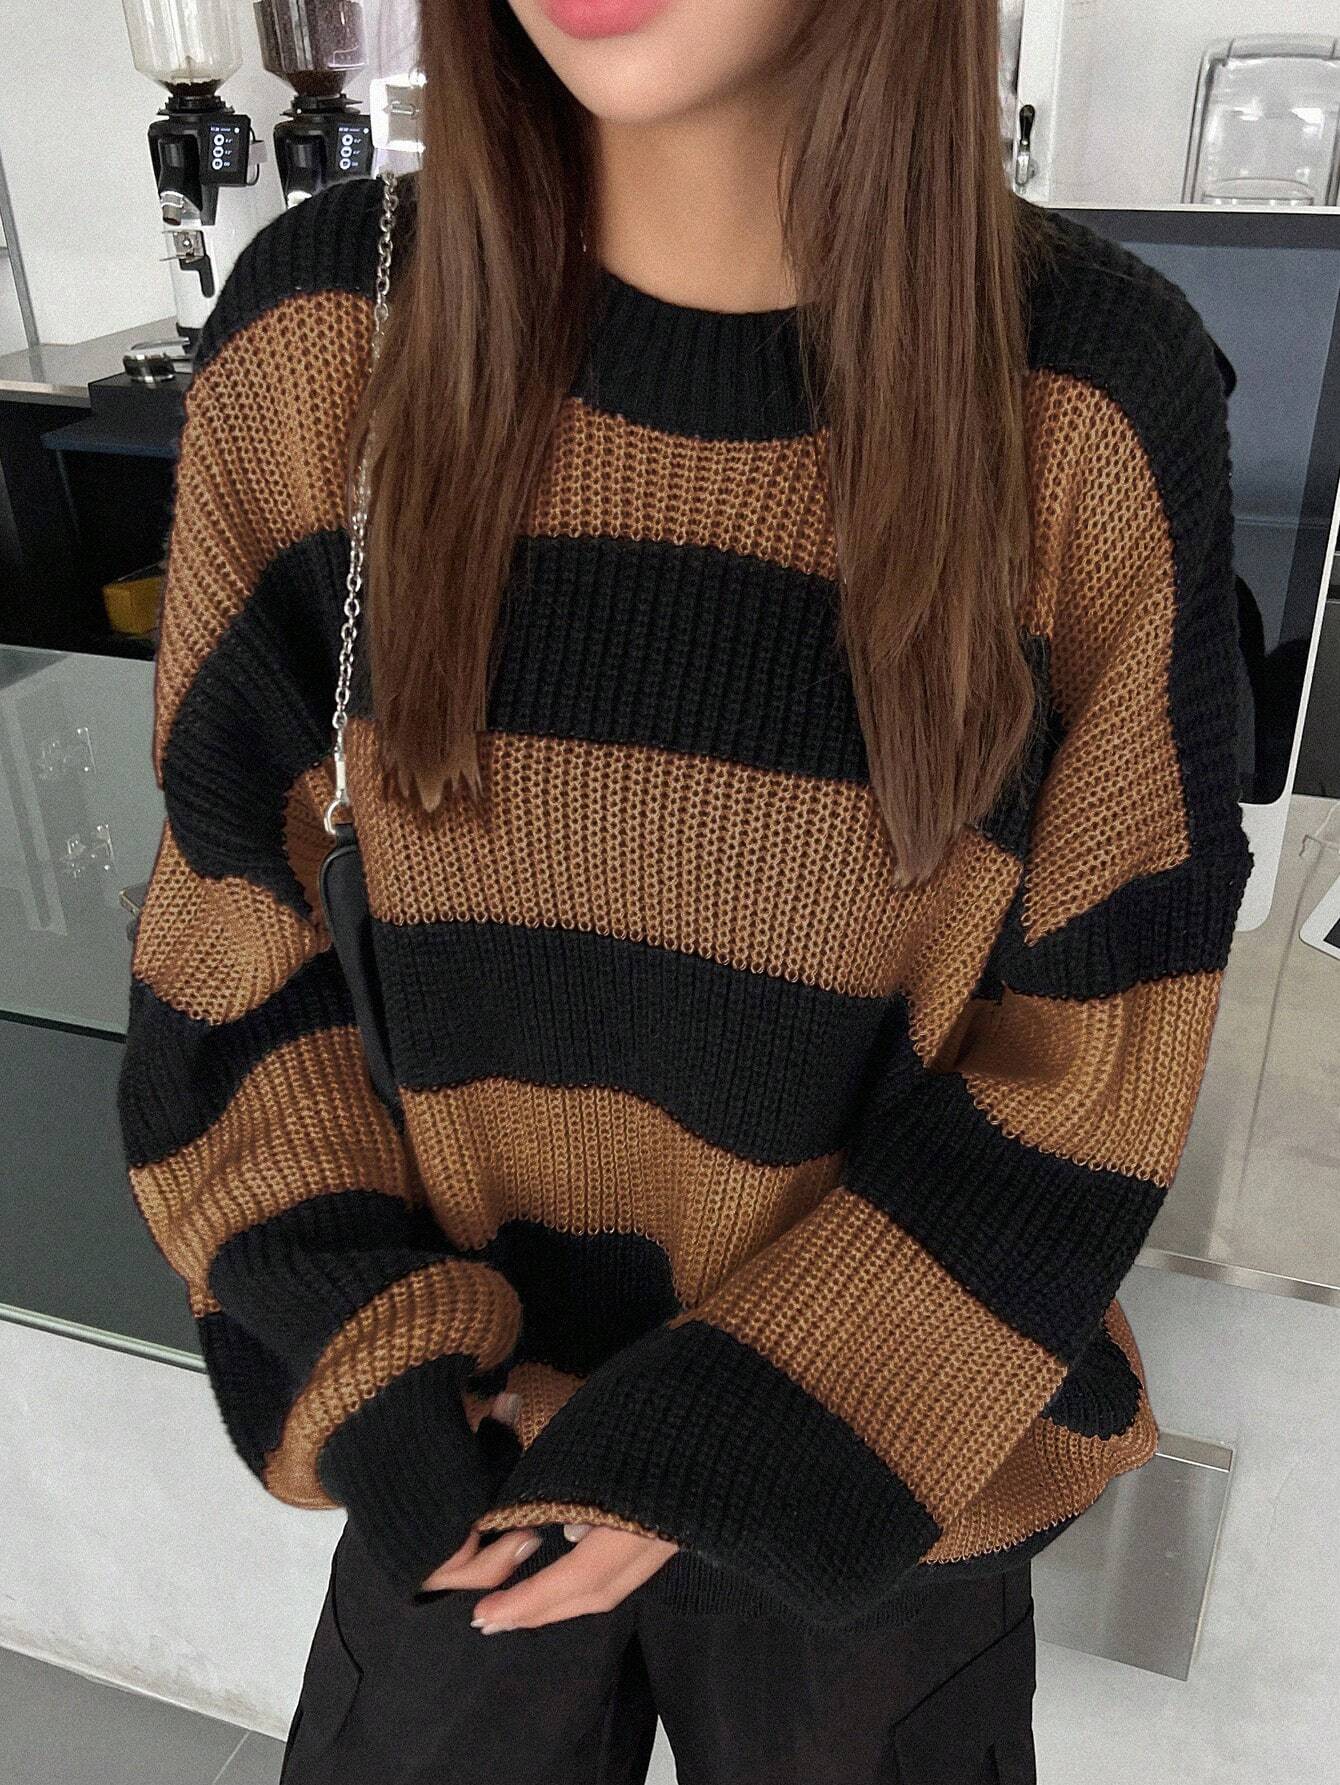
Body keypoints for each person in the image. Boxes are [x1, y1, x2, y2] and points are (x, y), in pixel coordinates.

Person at [115, 0, 1255, 1780]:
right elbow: (227, 929)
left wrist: (734, 1432)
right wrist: (382, 1362)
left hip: (878, 1462)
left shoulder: (1088, 393)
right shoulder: (330, 332)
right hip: (466, 1457)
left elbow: (1096, 1042)